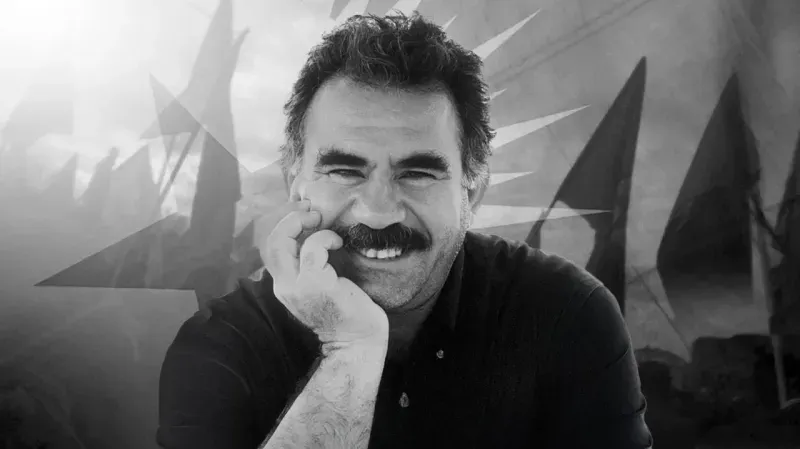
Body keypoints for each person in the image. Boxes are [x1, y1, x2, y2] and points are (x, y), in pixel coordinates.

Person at [157, 12, 653, 449]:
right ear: (295, 183)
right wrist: (350, 349)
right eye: (345, 170)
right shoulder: (221, 347)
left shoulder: (570, 315)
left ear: (473, 192)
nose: (379, 213)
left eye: (417, 173)